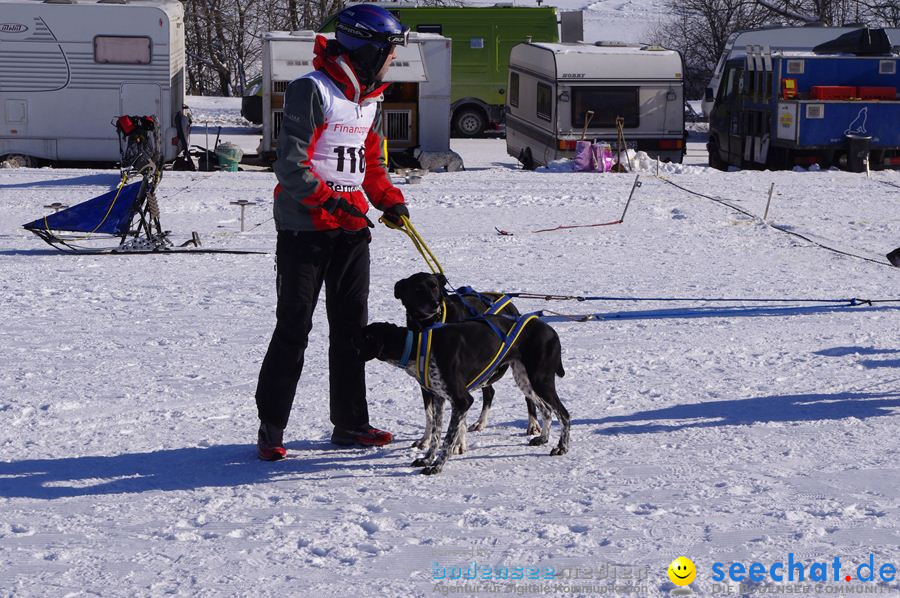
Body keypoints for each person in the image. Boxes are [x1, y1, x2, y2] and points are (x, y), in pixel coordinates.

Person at [255, 5, 411, 460]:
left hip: (351, 230)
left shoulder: (370, 98)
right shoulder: (311, 89)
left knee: (351, 330)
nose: (392, 60)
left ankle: (350, 423)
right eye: (388, 51)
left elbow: (370, 163)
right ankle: (271, 427)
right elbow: (290, 163)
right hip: (305, 228)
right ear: (366, 47)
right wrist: (332, 204)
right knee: (294, 328)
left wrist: (388, 199)